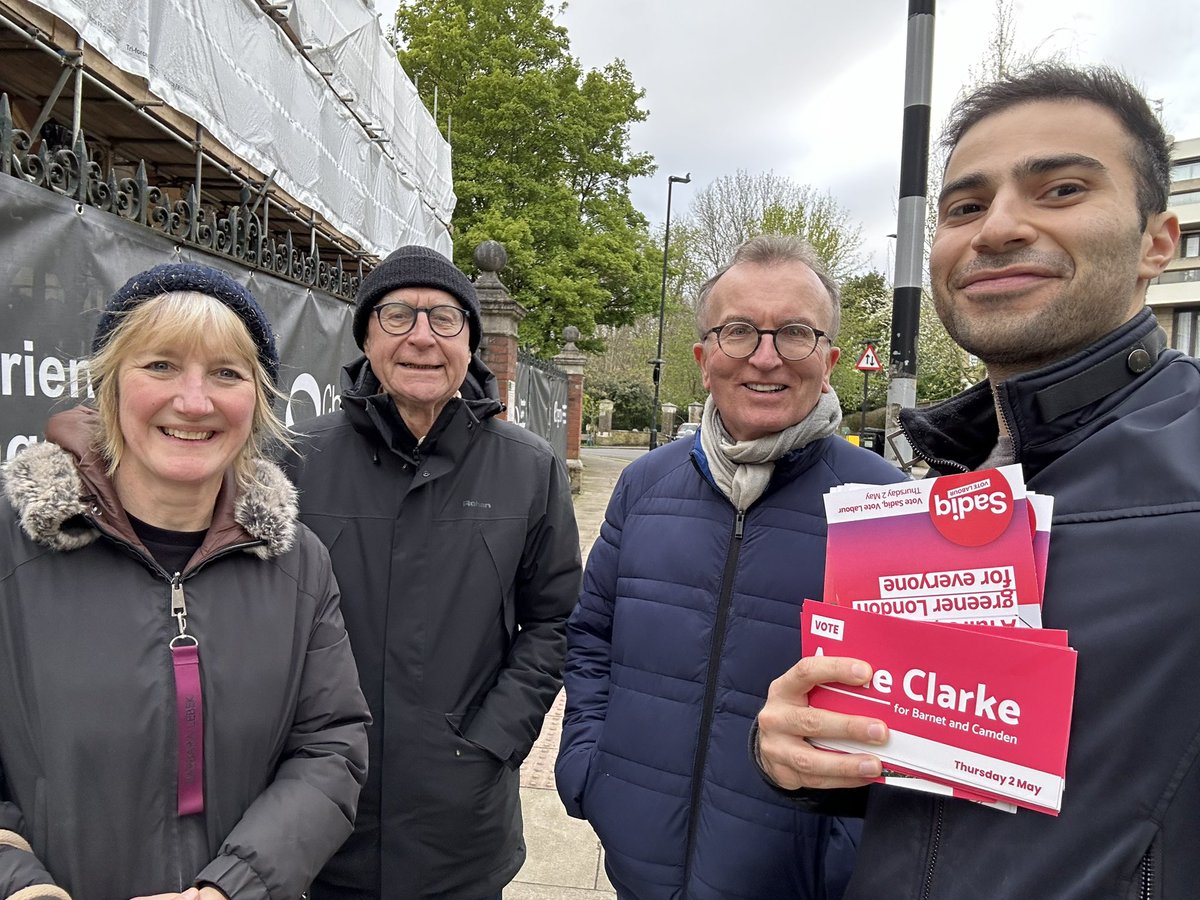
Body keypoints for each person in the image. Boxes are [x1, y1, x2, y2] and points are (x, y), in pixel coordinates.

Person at [755, 64, 1197, 899]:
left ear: (1157, 241)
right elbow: (951, 789)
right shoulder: (944, 479)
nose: (996, 229)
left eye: (1060, 189)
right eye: (964, 206)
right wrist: (799, 756)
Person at [0, 263, 370, 899]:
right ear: (110, 386)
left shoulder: (296, 561)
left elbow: (331, 747)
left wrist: (230, 887)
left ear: (257, 402)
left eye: (226, 373)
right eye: (161, 365)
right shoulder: (12, 548)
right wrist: (21, 886)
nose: (194, 401)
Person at [555, 235, 908, 899]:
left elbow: (913, 718)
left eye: (795, 333)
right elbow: (591, 639)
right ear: (705, 356)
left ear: (829, 358)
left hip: (796, 883)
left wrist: (843, 853)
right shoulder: (643, 485)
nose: (766, 356)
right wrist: (588, 770)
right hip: (639, 867)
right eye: (739, 331)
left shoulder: (888, 506)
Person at [281, 245, 582, 899]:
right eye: (398, 315)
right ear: (365, 334)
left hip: (461, 825)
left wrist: (494, 738)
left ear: (470, 342)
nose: (422, 336)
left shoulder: (528, 468)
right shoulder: (297, 461)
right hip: (322, 818)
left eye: (445, 318)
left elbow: (556, 619)